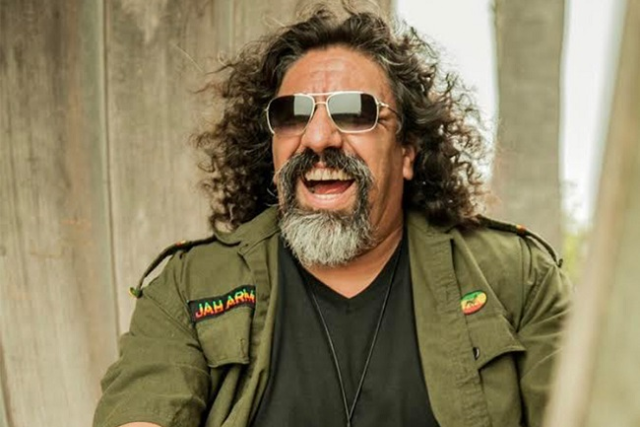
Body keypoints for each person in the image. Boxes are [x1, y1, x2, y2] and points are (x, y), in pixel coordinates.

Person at [93, 4, 572, 427]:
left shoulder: (516, 278)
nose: (318, 137)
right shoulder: (188, 287)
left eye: (355, 112)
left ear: (407, 150)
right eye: (292, 115)